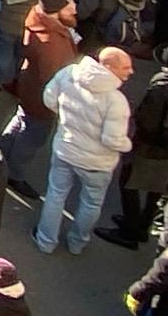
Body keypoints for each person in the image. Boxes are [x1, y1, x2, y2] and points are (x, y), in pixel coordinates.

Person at [35, 45, 134, 255]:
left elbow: (49, 99)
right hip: (98, 163)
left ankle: (46, 241)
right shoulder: (116, 101)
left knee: (55, 194)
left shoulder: (69, 73)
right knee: (91, 203)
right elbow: (112, 139)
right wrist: (127, 145)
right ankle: (77, 243)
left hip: (66, 148)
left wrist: (66, 121)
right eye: (125, 67)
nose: (131, 71)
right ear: (108, 67)